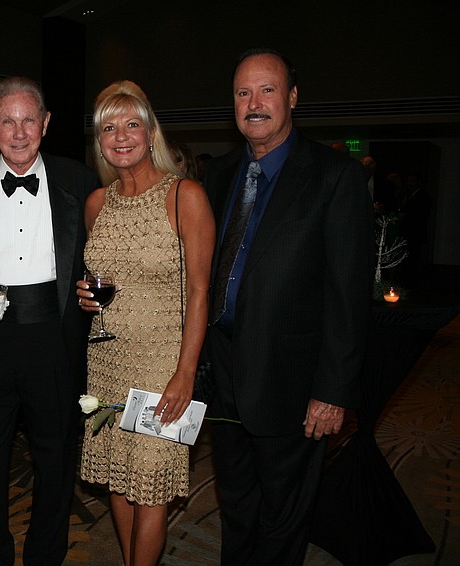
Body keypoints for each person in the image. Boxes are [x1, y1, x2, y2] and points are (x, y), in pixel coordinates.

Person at [203, 48, 374, 565]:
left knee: (283, 513)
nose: (254, 103)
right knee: (235, 502)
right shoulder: (219, 175)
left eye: (267, 90)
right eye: (243, 92)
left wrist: (331, 391)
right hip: (223, 372)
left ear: (293, 97)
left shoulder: (334, 176)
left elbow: (349, 297)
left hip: (292, 381)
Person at [0, 76, 99, 565]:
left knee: (55, 462)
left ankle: (44, 557)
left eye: (28, 118)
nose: (18, 131)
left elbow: (105, 256)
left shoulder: (80, 180)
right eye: (6, 121)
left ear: (46, 123)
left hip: (56, 338)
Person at [76, 80, 215, 566]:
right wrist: (86, 298)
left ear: (150, 130)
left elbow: (200, 292)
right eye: (109, 127)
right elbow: (101, 279)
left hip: (162, 365)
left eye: (131, 123)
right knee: (120, 478)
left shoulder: (185, 196)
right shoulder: (97, 203)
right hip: (107, 358)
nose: (121, 135)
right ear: (99, 139)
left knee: (151, 486)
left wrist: (185, 372)